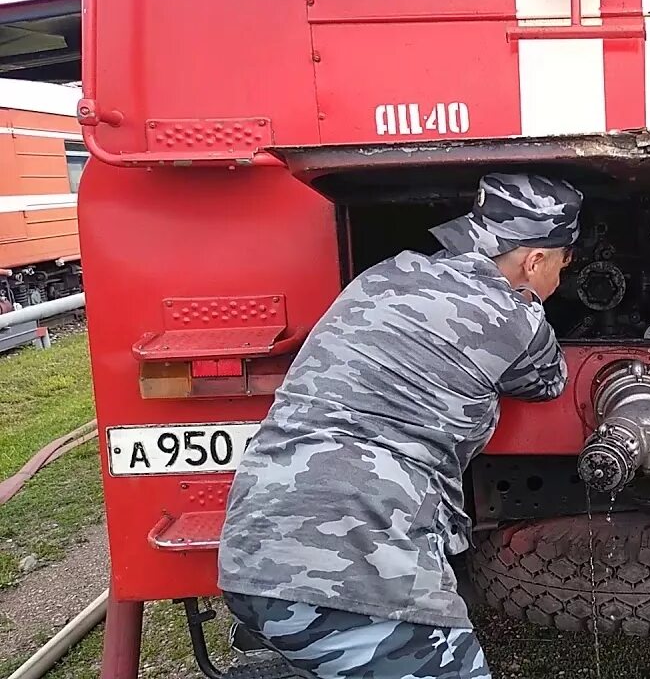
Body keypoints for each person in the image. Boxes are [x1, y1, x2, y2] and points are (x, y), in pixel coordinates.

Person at [217, 172, 581, 679]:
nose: (558, 283)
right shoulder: (516, 318)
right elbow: (548, 383)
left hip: (251, 550)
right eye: (562, 266)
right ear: (535, 259)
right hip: (352, 566)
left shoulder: (383, 275)